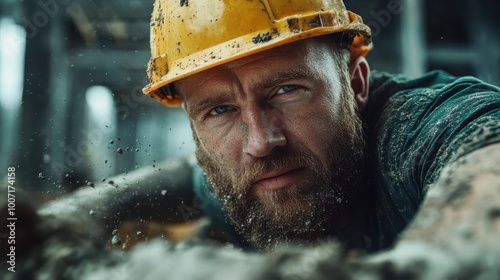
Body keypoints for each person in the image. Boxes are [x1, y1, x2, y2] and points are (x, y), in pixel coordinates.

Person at [38, 0, 499, 261]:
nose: (260, 143)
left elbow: (486, 157)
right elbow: (188, 180)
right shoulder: (247, 180)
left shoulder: (414, 131)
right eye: (218, 110)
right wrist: (76, 213)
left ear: (356, 83)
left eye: (286, 90)